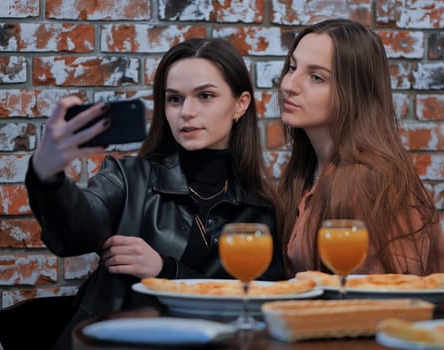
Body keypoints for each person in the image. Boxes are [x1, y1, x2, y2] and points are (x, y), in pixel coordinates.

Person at [25, 37, 283, 349]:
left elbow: (257, 304)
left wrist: (165, 270)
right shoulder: (128, 177)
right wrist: (47, 175)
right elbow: (73, 234)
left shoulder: (261, 208)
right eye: (174, 99)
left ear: (240, 104)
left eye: (205, 96)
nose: (186, 112)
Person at [276, 18, 444, 277]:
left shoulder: (375, 180)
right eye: (292, 68)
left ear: (356, 91)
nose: (288, 85)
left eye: (316, 77)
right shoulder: (305, 175)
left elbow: (385, 300)